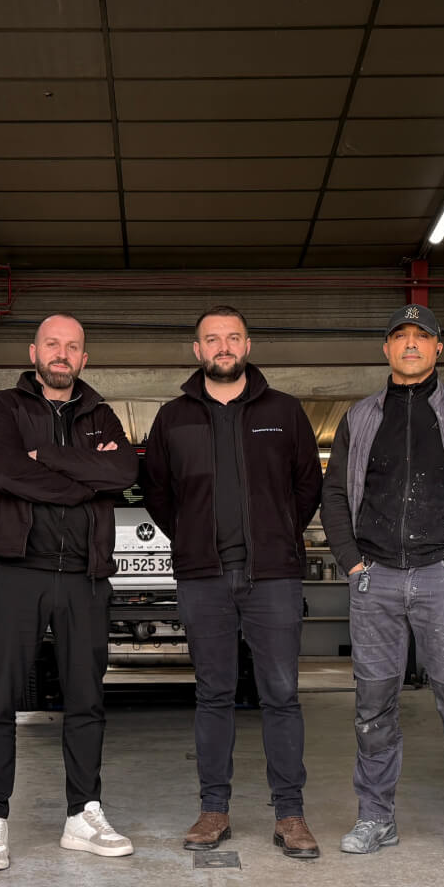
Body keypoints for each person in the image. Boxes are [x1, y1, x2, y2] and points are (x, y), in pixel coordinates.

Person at [321, 303, 444, 866]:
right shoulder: (360, 417)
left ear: (437, 348)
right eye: (399, 337)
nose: (410, 345)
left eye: (420, 337)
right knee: (372, 706)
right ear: (386, 349)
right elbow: (334, 496)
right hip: (374, 579)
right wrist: (353, 562)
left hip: (442, 579)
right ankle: (376, 817)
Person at [138, 305, 325, 859]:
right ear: (197, 351)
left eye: (233, 337)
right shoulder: (172, 418)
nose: (223, 347)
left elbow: (306, 487)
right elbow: (158, 492)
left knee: (283, 696)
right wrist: (193, 538)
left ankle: (290, 815)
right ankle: (213, 809)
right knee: (213, 695)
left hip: (273, 577)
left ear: (248, 345)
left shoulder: (285, 412)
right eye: (212, 339)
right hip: (204, 578)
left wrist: (276, 534)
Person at [0, 314, 139, 870]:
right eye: (52, 344)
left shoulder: (100, 412)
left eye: (72, 347)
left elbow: (122, 471)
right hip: (19, 570)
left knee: (87, 699)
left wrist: (56, 460)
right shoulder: (3, 408)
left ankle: (82, 813)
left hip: (85, 577)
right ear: (34, 351)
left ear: (84, 358)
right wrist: (81, 486)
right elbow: (8, 472)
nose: (62, 354)